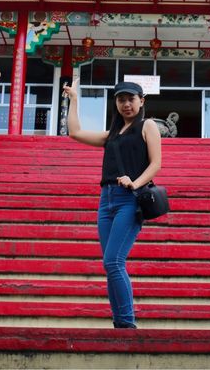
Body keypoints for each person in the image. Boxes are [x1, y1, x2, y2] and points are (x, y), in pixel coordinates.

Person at [62, 79, 162, 329]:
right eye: (121, 100)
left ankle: (126, 323)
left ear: (142, 101)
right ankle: (120, 321)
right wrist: (74, 99)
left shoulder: (147, 126)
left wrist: (135, 183)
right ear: (115, 103)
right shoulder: (112, 135)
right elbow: (75, 133)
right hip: (105, 202)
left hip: (129, 200)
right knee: (111, 264)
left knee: (113, 262)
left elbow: (156, 164)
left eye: (131, 99)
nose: (126, 104)